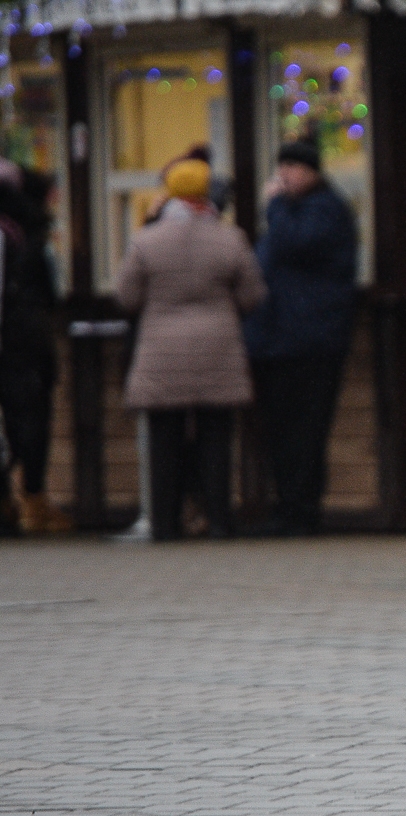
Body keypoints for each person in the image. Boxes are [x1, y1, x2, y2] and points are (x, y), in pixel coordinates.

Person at [115, 158, 267, 541]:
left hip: (161, 350)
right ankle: (219, 520)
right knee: (216, 439)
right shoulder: (230, 239)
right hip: (218, 347)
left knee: (163, 441)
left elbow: (127, 297)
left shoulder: (146, 240)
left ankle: (165, 525)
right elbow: (252, 296)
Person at [242, 140, 358, 536]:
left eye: (293, 167)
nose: (284, 175)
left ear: (314, 173)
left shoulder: (323, 210)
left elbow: (297, 243)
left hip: (310, 339)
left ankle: (299, 511)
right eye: (282, 166)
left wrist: (273, 207)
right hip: (280, 338)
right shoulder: (295, 212)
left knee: (303, 430)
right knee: (283, 431)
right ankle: (288, 507)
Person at [0, 159, 70, 534]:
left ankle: (7, 504)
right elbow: (54, 291)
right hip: (28, 340)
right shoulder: (32, 233)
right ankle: (34, 502)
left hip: (13, 337)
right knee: (30, 422)